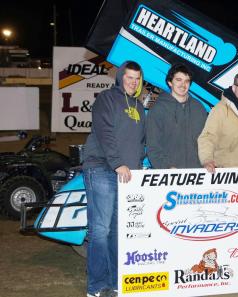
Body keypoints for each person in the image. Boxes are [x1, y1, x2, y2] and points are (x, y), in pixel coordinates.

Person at [82, 61, 145, 297]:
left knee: (117, 231)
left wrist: (136, 166)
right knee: (100, 229)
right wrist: (118, 163)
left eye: (137, 78)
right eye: (129, 77)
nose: (133, 82)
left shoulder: (138, 106)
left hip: (125, 176)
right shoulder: (106, 99)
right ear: (120, 77)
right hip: (102, 168)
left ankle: (115, 282)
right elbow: (104, 131)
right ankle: (96, 287)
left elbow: (140, 143)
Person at [198, 71, 238, 172]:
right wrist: (207, 160)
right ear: (234, 88)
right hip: (227, 174)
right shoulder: (220, 109)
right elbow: (208, 136)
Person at [146, 63, 207, 168]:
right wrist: (166, 167)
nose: (183, 85)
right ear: (170, 82)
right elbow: (153, 146)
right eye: (179, 80)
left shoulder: (199, 108)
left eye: (186, 81)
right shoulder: (158, 109)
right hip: (170, 175)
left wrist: (207, 161)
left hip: (197, 175)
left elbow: (207, 140)